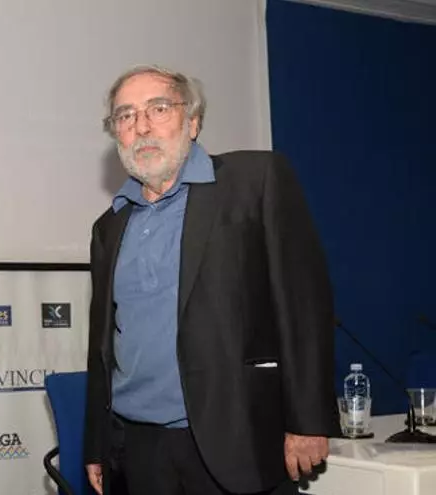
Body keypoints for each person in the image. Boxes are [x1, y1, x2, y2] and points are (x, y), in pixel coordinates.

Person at [83, 65, 339, 495]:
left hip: (238, 440)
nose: (141, 126)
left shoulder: (255, 180)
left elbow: (304, 307)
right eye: (126, 116)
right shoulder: (109, 226)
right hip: (138, 447)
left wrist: (309, 420)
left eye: (158, 109)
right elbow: (102, 345)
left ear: (193, 121)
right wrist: (96, 443)